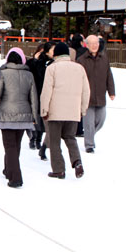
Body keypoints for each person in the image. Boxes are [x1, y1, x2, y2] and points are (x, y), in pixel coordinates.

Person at [0, 47, 40, 188]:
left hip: (6, 115)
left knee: (9, 146)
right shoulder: (29, 75)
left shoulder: (3, 73)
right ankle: (8, 170)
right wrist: (35, 117)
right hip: (24, 115)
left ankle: (15, 177)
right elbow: (34, 98)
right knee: (15, 146)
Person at [40, 42, 90, 179]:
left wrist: (44, 110)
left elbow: (46, 91)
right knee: (70, 138)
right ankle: (77, 161)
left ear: (55, 54)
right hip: (73, 111)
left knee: (55, 141)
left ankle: (59, 170)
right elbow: (86, 91)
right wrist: (82, 109)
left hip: (55, 111)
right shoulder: (79, 68)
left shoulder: (52, 68)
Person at [77, 35, 115, 153]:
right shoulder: (81, 60)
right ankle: (89, 144)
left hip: (100, 95)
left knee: (100, 120)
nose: (94, 46)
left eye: (96, 43)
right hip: (87, 97)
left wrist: (111, 91)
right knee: (88, 123)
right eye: (91, 43)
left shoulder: (104, 58)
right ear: (86, 45)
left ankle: (90, 134)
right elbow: (77, 79)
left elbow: (109, 75)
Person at [27, 41, 55, 160]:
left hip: (50, 94)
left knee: (45, 118)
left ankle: (40, 140)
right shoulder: (39, 62)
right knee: (36, 116)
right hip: (36, 91)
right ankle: (34, 138)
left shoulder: (55, 63)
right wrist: (35, 60)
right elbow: (29, 70)